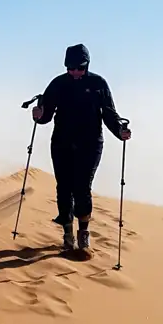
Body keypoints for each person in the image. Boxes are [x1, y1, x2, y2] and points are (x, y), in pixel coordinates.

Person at [31, 44, 131, 258]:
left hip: (90, 143)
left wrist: (120, 131)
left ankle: (83, 234)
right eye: (71, 68)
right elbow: (46, 115)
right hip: (62, 143)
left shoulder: (98, 83)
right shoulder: (58, 84)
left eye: (80, 68)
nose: (75, 72)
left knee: (82, 187)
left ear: (87, 65)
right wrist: (38, 115)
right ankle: (67, 234)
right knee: (64, 187)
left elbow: (109, 114)